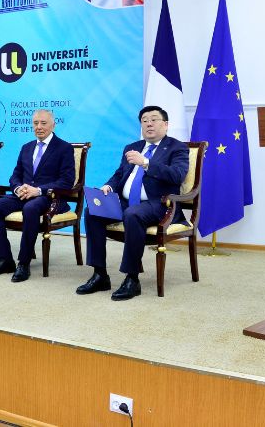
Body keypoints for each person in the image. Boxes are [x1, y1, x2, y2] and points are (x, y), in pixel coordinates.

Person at [76, 106, 189, 301]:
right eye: (144, 120)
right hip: (126, 202)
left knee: (133, 214)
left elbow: (177, 175)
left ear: (165, 124)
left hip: (159, 204)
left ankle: (132, 278)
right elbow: (120, 174)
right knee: (93, 212)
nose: (149, 124)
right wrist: (109, 186)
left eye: (154, 119)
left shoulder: (176, 148)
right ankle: (100, 274)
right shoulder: (132, 147)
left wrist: (146, 162)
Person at [0, 109, 74, 282]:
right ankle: (4, 259)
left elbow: (66, 181)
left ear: (53, 125)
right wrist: (17, 188)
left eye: (43, 123)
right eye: (35, 123)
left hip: (49, 197)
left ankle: (24, 263)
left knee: (31, 209)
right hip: (23, 194)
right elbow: (15, 175)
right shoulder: (27, 147)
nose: (39, 127)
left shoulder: (64, 148)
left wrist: (38, 190)